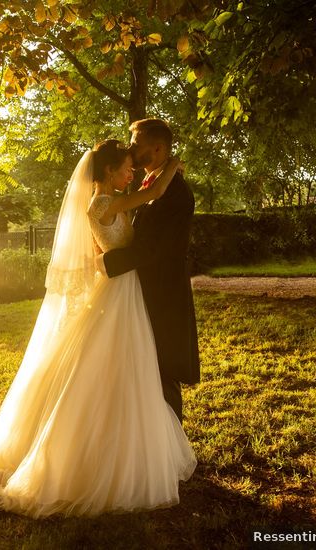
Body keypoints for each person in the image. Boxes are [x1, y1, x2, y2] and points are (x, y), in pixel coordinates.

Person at [0, 140, 196, 537]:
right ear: (109, 172)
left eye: (133, 169)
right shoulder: (101, 204)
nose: (132, 174)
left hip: (122, 289)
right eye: (126, 168)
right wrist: (173, 165)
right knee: (110, 362)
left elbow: (146, 201)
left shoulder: (112, 198)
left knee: (124, 365)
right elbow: (155, 193)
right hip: (117, 292)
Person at [98, 118, 200, 422]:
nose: (130, 148)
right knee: (147, 369)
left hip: (163, 297)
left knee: (163, 369)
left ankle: (171, 450)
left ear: (156, 149)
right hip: (142, 294)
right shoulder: (155, 186)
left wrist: (105, 264)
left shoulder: (176, 193)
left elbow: (153, 249)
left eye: (136, 142)